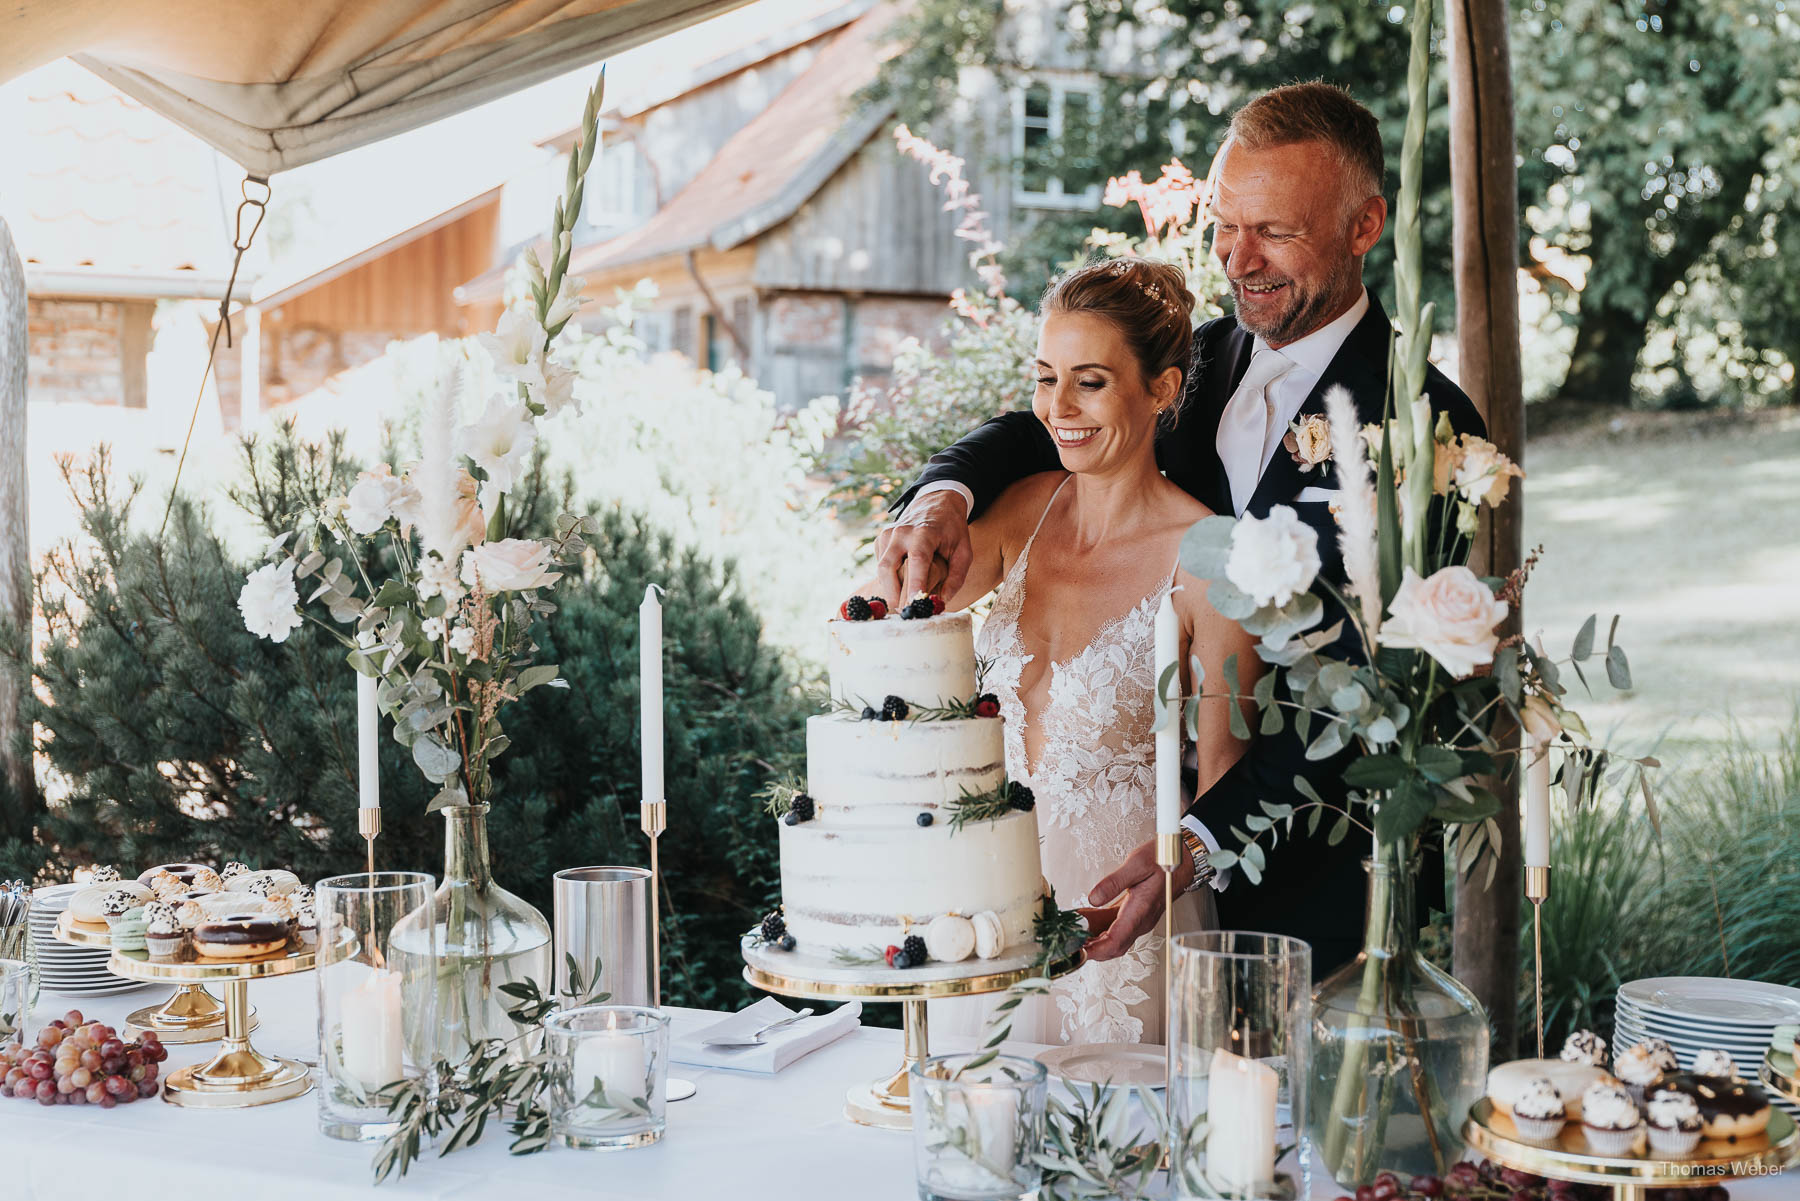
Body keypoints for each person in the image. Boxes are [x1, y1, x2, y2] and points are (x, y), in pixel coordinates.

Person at [875, 82, 1486, 977]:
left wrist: (1194, 841)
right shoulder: (1201, 359)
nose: (1240, 260)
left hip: (1316, 899)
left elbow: (1367, 695)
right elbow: (1040, 423)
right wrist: (944, 493)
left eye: (1274, 230)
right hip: (1105, 875)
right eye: (1224, 224)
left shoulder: (1430, 430)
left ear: (1365, 227)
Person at [861, 256, 1257, 1045]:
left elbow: (1230, 788)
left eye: (1091, 381)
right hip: (980, 923)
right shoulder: (1022, 514)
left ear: (1163, 390)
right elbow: (896, 612)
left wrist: (1174, 874)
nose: (1059, 407)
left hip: (1128, 935)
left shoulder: (1213, 556)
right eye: (1045, 378)